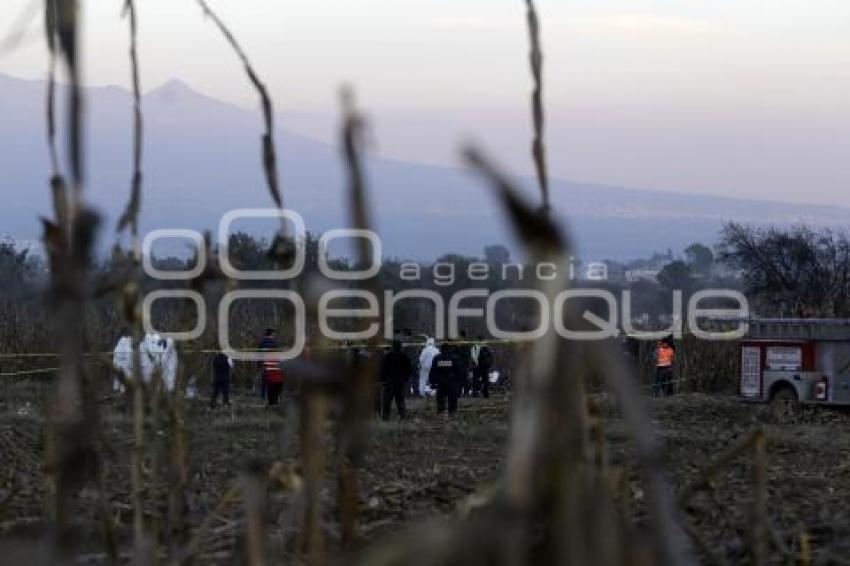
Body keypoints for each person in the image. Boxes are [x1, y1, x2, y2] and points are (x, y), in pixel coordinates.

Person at [428, 343, 464, 416]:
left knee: (440, 398)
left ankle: (441, 412)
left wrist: (432, 381)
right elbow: (459, 371)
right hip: (451, 381)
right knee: (452, 398)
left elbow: (433, 370)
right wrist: (460, 381)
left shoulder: (437, 358)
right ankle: (452, 412)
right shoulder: (454, 358)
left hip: (441, 380)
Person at [380, 339, 411, 420]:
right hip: (400, 381)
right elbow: (409, 369)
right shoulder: (404, 356)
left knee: (387, 401)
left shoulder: (388, 356)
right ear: (400, 346)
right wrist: (406, 379)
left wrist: (383, 380)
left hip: (389, 381)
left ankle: (385, 418)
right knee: (400, 400)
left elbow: (383, 369)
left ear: (392, 346)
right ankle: (403, 416)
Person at [257, 328, 278, 399]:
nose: (274, 335)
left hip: (263, 363)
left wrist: (258, 364)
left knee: (264, 379)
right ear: (271, 334)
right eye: (273, 334)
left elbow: (258, 353)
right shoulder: (273, 342)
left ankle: (263, 395)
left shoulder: (261, 342)